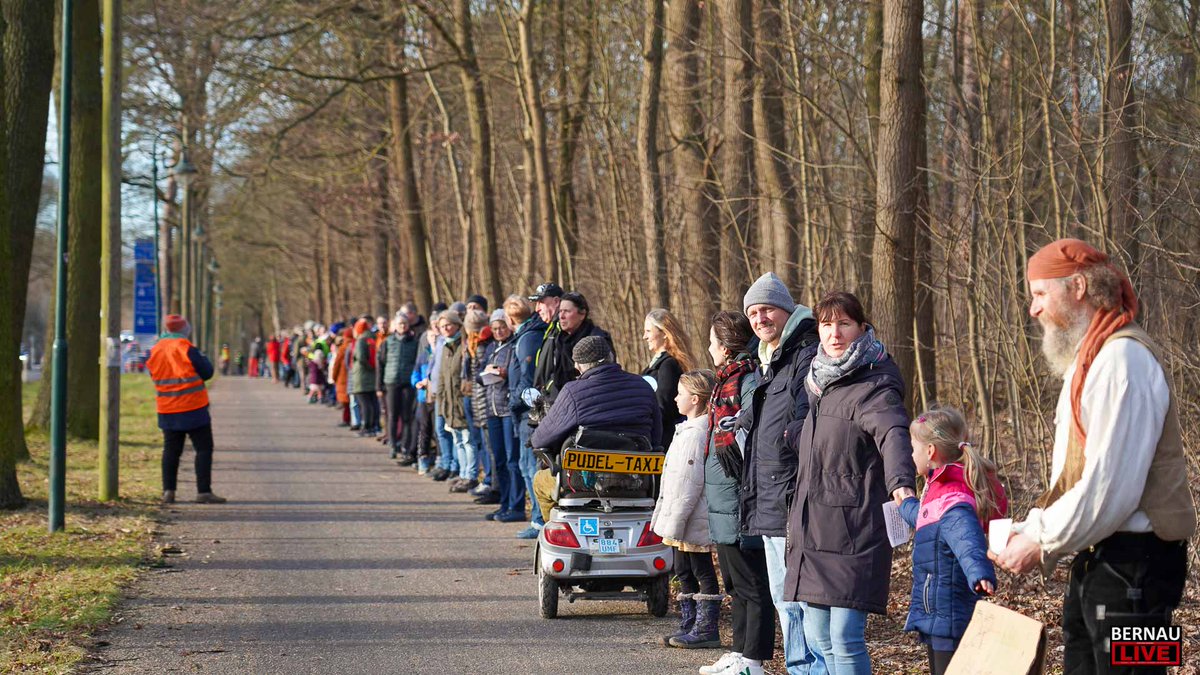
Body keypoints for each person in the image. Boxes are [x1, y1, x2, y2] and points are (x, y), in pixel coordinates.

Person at [993, 239, 1195, 675]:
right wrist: (1030, 529)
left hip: (1138, 570)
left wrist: (1041, 539)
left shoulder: (1124, 360)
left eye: (1041, 294)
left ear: (1079, 286)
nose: (1034, 309)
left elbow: (1111, 490)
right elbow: (1080, 479)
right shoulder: (1090, 362)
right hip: (1102, 561)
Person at [783, 291, 916, 675]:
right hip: (813, 527)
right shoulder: (819, 381)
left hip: (854, 527)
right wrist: (795, 435)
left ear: (861, 328)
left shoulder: (875, 382)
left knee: (844, 638)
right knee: (818, 636)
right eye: (826, 324)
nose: (834, 333)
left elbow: (893, 432)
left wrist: (902, 484)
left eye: (844, 324)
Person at [734, 272, 823, 675]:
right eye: (752, 312)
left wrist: (792, 438)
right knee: (782, 595)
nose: (759, 318)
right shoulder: (770, 357)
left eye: (766, 308)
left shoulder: (804, 350)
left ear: (786, 308)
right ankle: (798, 667)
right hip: (767, 494)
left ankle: (811, 669)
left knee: (801, 597)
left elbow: (808, 418)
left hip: (792, 492)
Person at [900, 407, 1005, 675]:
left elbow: (966, 538)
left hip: (951, 611)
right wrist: (905, 505)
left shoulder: (952, 498)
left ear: (931, 451)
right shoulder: (938, 489)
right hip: (938, 609)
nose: (911, 455)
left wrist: (979, 573)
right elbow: (927, 518)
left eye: (914, 449)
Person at [699, 311, 774, 675]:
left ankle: (754, 660)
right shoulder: (723, 381)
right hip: (722, 500)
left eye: (712, 342)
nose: (709, 348)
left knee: (751, 583)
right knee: (734, 584)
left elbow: (750, 435)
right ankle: (739, 651)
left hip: (738, 499)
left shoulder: (746, 379)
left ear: (726, 348)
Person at [529, 336, 662, 523]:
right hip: (635, 483)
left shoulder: (573, 391)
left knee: (539, 481)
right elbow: (657, 438)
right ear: (611, 356)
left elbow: (541, 439)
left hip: (581, 485)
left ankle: (554, 528)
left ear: (579, 365)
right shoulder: (643, 387)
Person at [653, 369, 721, 650]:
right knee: (683, 569)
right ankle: (689, 622)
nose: (674, 399)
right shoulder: (687, 430)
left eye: (680, 394)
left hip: (693, 519)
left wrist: (675, 521)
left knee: (701, 569)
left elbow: (689, 484)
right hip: (681, 518)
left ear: (695, 399)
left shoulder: (697, 434)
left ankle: (706, 628)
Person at [146, 314, 226, 504]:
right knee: (204, 448)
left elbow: (152, 373)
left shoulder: (155, 350)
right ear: (184, 330)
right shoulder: (186, 348)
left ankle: (168, 491)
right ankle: (203, 491)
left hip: (167, 407)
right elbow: (207, 372)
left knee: (171, 450)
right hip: (193, 407)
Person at [511, 290, 552, 539]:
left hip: (529, 411)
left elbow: (527, 379)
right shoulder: (530, 334)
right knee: (526, 466)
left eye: (541, 303)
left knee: (530, 467)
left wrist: (513, 400)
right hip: (525, 408)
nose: (539, 308)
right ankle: (537, 518)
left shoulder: (529, 337)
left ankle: (538, 520)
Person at [481, 306, 524, 522]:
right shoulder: (490, 348)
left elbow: (516, 374)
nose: (499, 331)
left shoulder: (515, 345)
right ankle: (504, 503)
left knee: (511, 459)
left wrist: (504, 374)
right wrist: (487, 372)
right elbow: (480, 374)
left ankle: (516, 505)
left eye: (502, 327)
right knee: (498, 459)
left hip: (508, 409)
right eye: (495, 328)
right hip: (492, 408)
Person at [533, 291, 613, 403]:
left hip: (589, 402)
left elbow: (605, 377)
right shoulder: (557, 339)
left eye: (567, 311)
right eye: (560, 311)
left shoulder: (597, 340)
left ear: (582, 314)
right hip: (560, 402)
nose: (561, 316)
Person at [642, 308, 696, 451]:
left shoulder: (668, 365)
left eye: (648, 331)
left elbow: (663, 407)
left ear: (664, 333)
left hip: (664, 441)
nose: (644, 337)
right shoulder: (657, 364)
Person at [436, 311, 474, 490]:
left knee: (468, 440)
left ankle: (471, 475)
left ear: (457, 325)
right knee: (457, 440)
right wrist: (441, 403)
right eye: (442, 326)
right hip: (449, 403)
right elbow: (443, 379)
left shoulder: (464, 346)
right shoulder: (445, 347)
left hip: (461, 402)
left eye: (448, 325)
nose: (445, 329)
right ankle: (463, 473)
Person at [458, 309, 492, 495]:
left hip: (482, 400)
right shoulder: (470, 344)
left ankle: (488, 479)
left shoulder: (483, 345)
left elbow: (480, 377)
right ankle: (486, 478)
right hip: (472, 397)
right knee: (479, 442)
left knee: (486, 445)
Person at [378, 313, 418, 460]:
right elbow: (381, 364)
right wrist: (379, 386)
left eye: (405, 324)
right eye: (400, 324)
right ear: (395, 325)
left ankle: (405, 446)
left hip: (407, 382)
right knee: (392, 415)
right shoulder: (388, 342)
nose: (402, 326)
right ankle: (393, 444)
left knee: (407, 416)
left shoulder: (414, 342)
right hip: (391, 382)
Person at [411, 311, 441, 474]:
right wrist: (417, 383)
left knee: (438, 431)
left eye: (435, 336)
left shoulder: (441, 353)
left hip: (436, 398)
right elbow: (414, 373)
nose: (433, 339)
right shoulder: (423, 355)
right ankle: (422, 458)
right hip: (423, 398)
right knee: (424, 429)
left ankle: (438, 459)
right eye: (430, 337)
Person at [350, 318, 380, 437]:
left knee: (364, 403)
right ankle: (374, 426)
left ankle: (367, 427)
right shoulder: (374, 338)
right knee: (372, 402)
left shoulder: (361, 340)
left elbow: (361, 358)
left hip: (362, 376)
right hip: (373, 376)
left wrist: (368, 367)